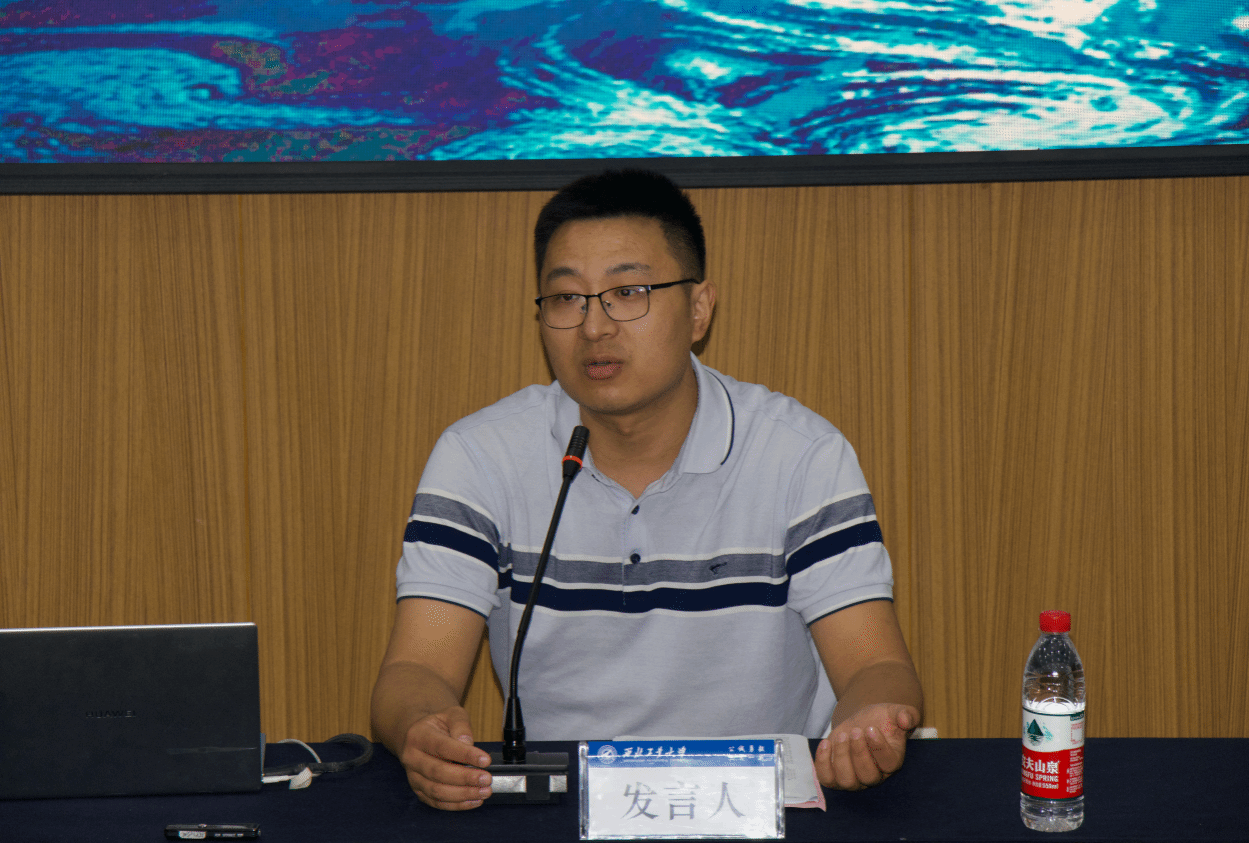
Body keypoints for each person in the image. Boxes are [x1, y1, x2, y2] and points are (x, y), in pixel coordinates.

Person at [370, 169, 923, 811]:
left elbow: (875, 667)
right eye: (567, 298)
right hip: (566, 809)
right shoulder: (481, 457)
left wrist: (869, 718)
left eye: (628, 292)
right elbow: (418, 668)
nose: (594, 327)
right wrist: (422, 727)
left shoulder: (799, 455)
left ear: (699, 309)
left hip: (756, 808)